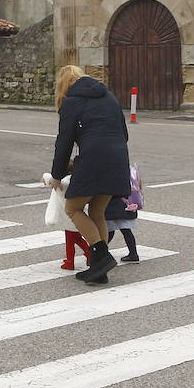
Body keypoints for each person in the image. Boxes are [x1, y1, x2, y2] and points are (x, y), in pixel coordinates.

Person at [48, 65, 131, 284]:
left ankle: (101, 255)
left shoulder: (72, 102)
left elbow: (64, 142)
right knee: (97, 212)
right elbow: (124, 133)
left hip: (94, 159)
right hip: (118, 158)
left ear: (64, 85)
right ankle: (98, 270)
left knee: (73, 207)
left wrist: (57, 174)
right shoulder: (110, 97)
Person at [42, 169, 90, 270]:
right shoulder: (75, 181)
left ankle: (70, 262)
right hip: (78, 215)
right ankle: (88, 254)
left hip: (68, 217)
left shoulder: (62, 183)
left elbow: (48, 178)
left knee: (70, 242)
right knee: (77, 238)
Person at [104, 163, 144, 263]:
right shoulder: (129, 171)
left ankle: (100, 252)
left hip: (115, 206)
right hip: (127, 205)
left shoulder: (112, 172)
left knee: (109, 231)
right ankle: (133, 253)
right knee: (126, 231)